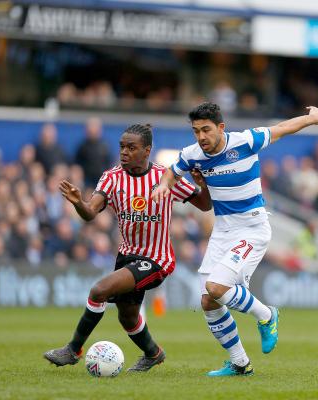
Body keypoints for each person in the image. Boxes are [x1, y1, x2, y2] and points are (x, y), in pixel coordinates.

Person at [152, 102, 318, 376]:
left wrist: (311, 119)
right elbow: (173, 171)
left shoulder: (246, 141)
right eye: (196, 131)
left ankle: (268, 315)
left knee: (215, 287)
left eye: (206, 130)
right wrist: (164, 186)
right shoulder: (192, 154)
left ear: (221, 127)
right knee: (208, 302)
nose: (201, 137)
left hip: (252, 228)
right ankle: (240, 363)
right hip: (223, 231)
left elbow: (281, 128)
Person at [44, 124, 212, 372]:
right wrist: (79, 202)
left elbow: (205, 204)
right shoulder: (111, 178)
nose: (124, 152)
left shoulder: (165, 177)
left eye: (131, 148)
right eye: (122, 146)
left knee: (99, 290)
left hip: (157, 259)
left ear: (147, 150)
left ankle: (73, 349)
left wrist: (203, 184)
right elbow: (91, 212)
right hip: (127, 256)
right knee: (128, 316)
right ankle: (153, 353)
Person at [75, 117, 113, 186]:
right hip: (86, 181)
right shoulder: (82, 146)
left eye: (95, 128)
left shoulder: (105, 146)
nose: (92, 130)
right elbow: (77, 164)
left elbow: (109, 164)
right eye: (90, 128)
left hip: (102, 180)